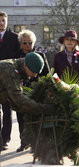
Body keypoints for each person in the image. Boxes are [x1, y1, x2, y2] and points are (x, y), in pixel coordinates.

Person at [0, 52, 55, 152]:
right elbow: (19, 100)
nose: (34, 75)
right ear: (25, 65)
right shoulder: (10, 70)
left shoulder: (18, 71)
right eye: (33, 72)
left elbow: (14, 103)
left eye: (36, 73)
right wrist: (45, 108)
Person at [15, 29, 50, 152]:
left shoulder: (40, 55)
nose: (28, 45)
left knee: (36, 117)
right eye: (25, 43)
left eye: (30, 42)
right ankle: (23, 142)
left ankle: (36, 143)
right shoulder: (17, 56)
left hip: (36, 90)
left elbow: (47, 74)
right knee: (21, 118)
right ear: (20, 43)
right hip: (20, 91)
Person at [0, 11, 20, 151]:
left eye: (3, 20)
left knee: (7, 111)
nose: (1, 23)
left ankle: (5, 139)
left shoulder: (14, 38)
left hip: (7, 80)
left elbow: (17, 58)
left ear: (7, 21)